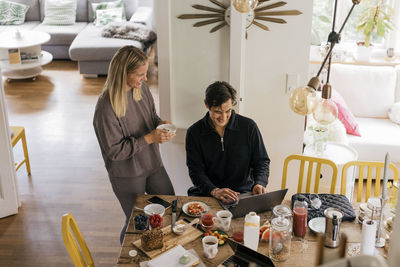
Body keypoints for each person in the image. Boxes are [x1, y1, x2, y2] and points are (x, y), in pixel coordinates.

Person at [93, 46, 175, 244]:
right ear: (123, 73)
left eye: (145, 73)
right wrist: (149, 138)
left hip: (152, 163)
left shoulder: (141, 88)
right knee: (137, 223)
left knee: (170, 206)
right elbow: (114, 151)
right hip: (127, 173)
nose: (145, 79)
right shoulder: (105, 108)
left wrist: (160, 124)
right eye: (140, 74)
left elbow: (151, 117)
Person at [186, 81, 270, 204]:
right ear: (206, 104)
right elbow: (195, 170)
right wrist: (214, 191)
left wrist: (259, 183)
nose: (224, 117)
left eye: (228, 111)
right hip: (209, 193)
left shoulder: (248, 127)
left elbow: (262, 161)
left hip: (244, 192)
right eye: (218, 112)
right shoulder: (194, 133)